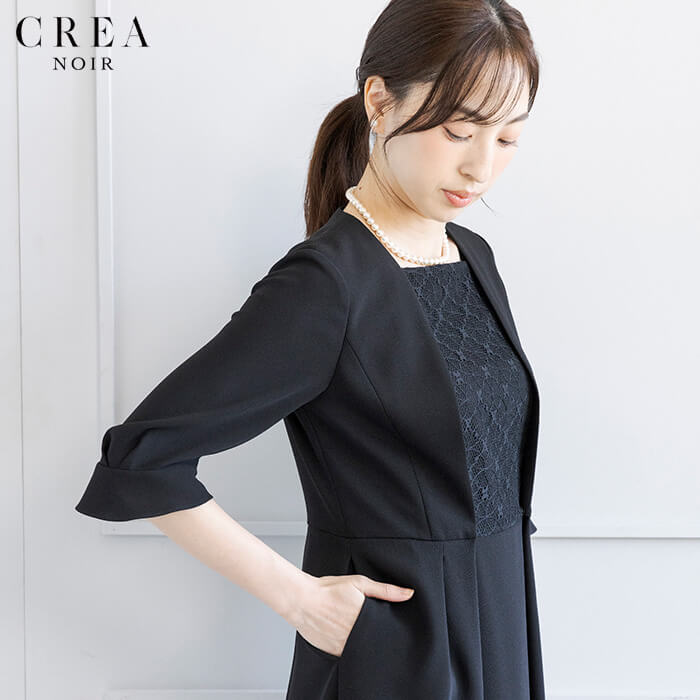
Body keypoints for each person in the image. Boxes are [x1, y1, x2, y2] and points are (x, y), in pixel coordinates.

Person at [75, 0, 545, 698]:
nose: (481, 167)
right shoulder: (326, 285)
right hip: (398, 649)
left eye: (507, 139)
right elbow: (141, 460)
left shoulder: (472, 255)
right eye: (458, 130)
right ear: (380, 102)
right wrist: (300, 600)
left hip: (503, 622)